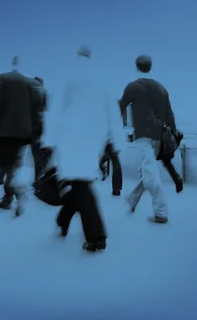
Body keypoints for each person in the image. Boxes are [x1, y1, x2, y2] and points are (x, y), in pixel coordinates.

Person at [42, 45, 125, 251]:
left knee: (79, 181)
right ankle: (63, 220)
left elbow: (56, 108)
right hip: (95, 133)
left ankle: (97, 236)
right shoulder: (101, 77)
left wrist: (50, 139)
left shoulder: (67, 74)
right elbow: (113, 110)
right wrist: (118, 138)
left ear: (77, 55)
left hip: (71, 132)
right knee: (78, 179)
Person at [119, 55, 176, 224]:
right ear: (150, 67)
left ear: (136, 66)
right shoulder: (161, 88)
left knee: (150, 173)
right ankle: (132, 200)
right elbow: (170, 115)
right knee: (147, 169)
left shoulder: (133, 87)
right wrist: (172, 134)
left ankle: (161, 212)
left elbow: (119, 109)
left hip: (144, 136)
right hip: (160, 137)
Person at [0, 56, 34, 216]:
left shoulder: (4, 78)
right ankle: (16, 192)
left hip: (7, 130)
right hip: (24, 131)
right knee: (16, 164)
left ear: (12, 65)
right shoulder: (30, 82)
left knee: (7, 165)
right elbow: (35, 108)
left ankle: (11, 196)